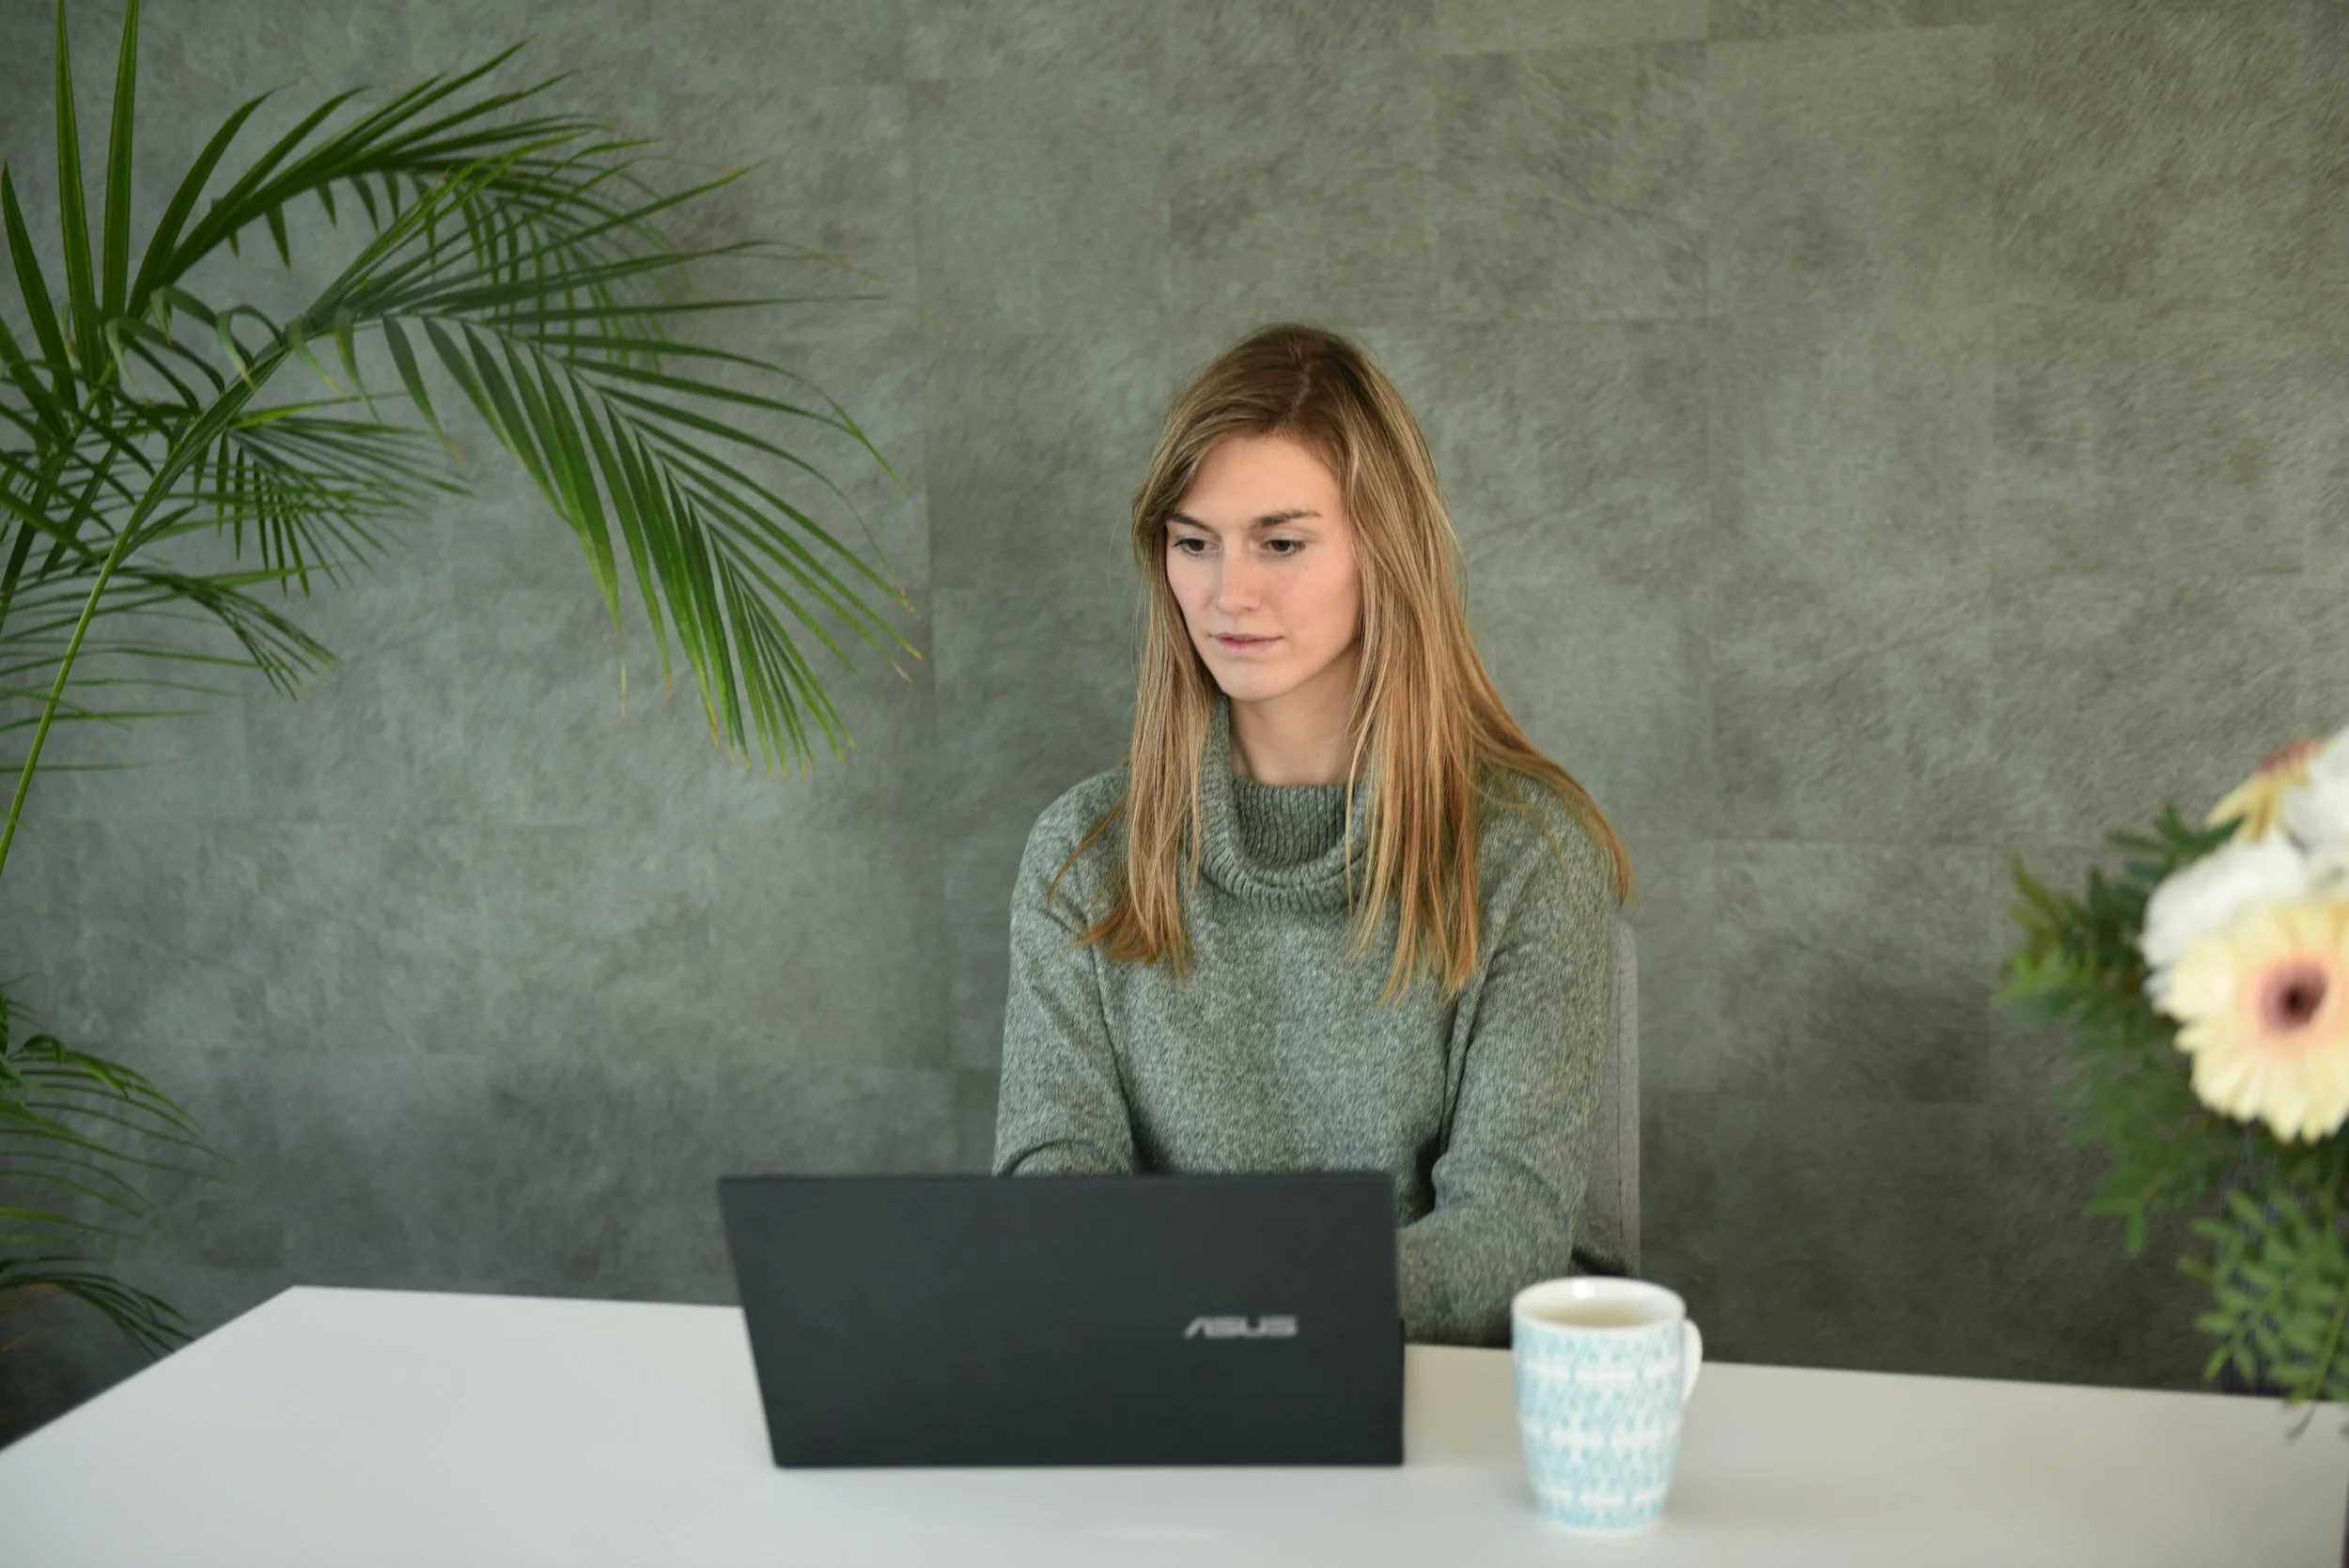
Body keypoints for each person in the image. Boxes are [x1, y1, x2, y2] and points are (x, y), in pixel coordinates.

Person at [989, 322, 1640, 1347]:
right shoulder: (1083, 850)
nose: (1226, 593)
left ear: (1386, 549)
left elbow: (1506, 1222)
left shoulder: (1530, 853)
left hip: (1432, 1400)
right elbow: (1049, 1181)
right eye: (1192, 541)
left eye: (1281, 543)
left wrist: (1257, 1312)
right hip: (1158, 1404)